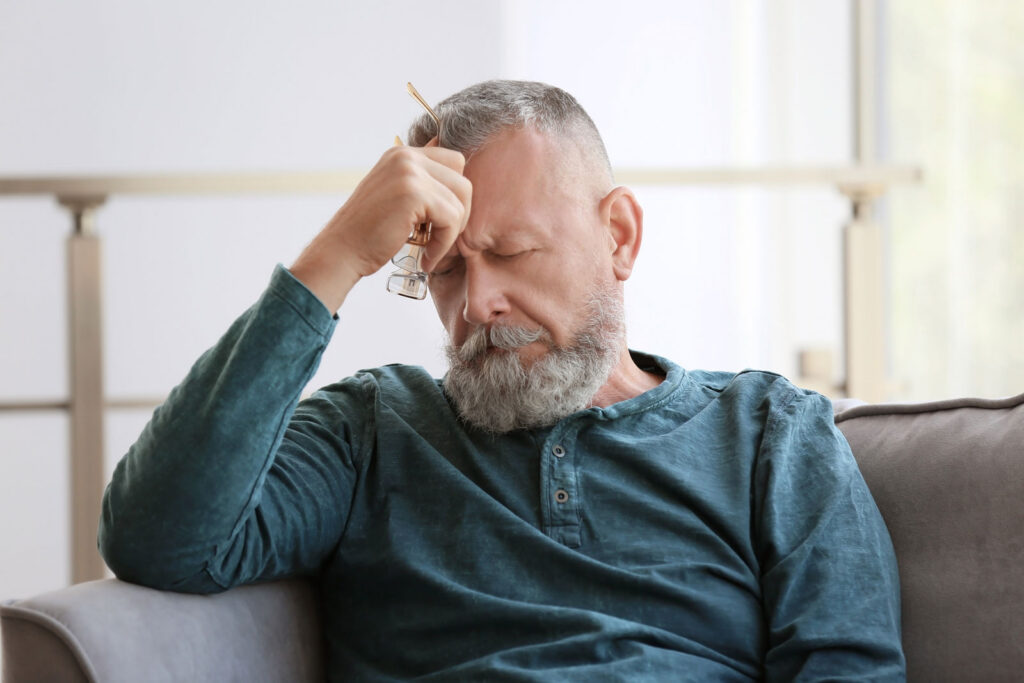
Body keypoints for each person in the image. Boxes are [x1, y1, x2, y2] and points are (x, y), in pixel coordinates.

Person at [99, 80, 906, 680]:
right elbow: (157, 537)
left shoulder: (772, 434)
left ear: (619, 235)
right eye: (445, 271)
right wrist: (338, 256)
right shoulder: (372, 430)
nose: (478, 303)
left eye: (514, 253)